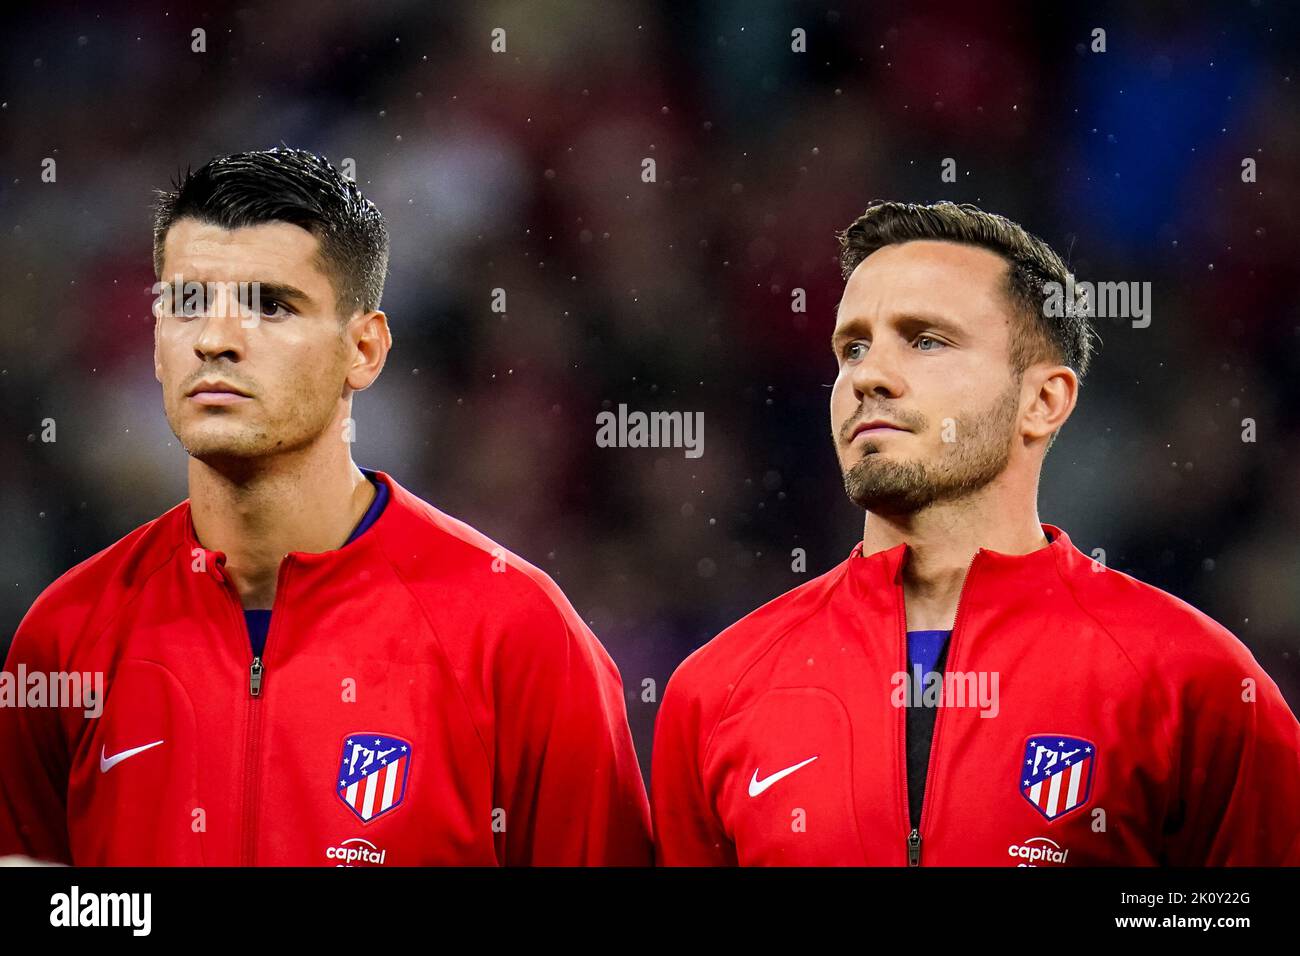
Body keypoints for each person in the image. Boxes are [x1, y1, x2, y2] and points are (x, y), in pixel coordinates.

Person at [0, 147, 652, 866]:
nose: (215, 340)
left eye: (271, 306)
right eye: (186, 304)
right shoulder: (64, 638)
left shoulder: (516, 635)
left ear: (364, 350)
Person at [651, 200, 1300, 866]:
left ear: (1043, 401)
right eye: (853, 347)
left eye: (926, 339)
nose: (867, 376)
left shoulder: (1195, 682)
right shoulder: (715, 692)